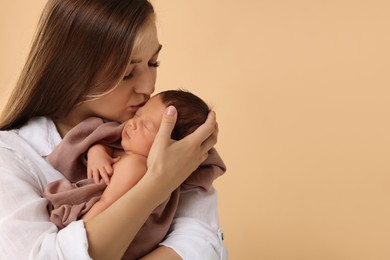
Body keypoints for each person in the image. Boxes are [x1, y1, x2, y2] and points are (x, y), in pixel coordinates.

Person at [0, 1, 226, 259]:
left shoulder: (168, 135)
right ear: (72, 72)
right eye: (127, 73)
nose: (148, 86)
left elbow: (201, 244)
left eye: (154, 62)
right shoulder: (10, 156)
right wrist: (157, 183)